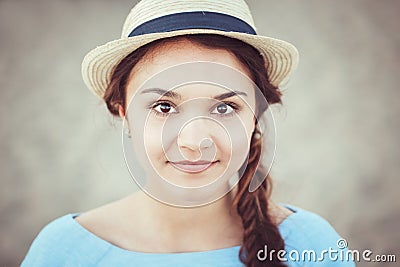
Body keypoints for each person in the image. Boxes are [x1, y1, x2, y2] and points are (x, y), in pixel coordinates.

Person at [22, 0, 355, 266]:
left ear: (256, 115)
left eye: (224, 108)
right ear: (125, 114)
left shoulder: (312, 245)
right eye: (164, 107)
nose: (194, 143)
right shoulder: (66, 251)